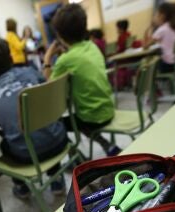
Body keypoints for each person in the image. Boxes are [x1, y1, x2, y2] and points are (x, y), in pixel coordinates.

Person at [0, 37, 67, 199]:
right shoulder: (29, 72)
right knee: (41, 128)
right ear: (10, 57)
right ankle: (56, 179)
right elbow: (46, 82)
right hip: (60, 140)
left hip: (29, 156)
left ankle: (22, 187)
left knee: (5, 144)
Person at [42, 4, 120, 157]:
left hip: (93, 118)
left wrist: (47, 57)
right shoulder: (92, 46)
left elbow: (50, 86)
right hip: (108, 109)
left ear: (59, 35)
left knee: (57, 125)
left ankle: (76, 157)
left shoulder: (66, 59)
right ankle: (107, 145)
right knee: (80, 119)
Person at [144, 2, 175, 73]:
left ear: (162, 16)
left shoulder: (162, 29)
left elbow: (146, 46)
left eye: (156, 15)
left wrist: (150, 27)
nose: (155, 17)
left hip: (167, 64)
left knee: (146, 64)